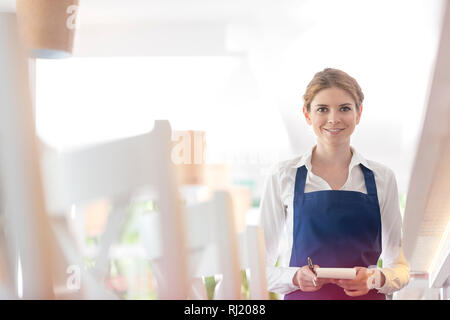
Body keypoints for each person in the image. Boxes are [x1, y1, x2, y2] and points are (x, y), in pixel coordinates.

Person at [259, 68, 410, 300]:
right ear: (307, 115)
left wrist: (373, 279)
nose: (333, 118)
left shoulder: (382, 177)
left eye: (345, 108)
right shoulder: (283, 176)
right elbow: (260, 268)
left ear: (358, 114)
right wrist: (296, 277)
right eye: (322, 109)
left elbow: (399, 267)